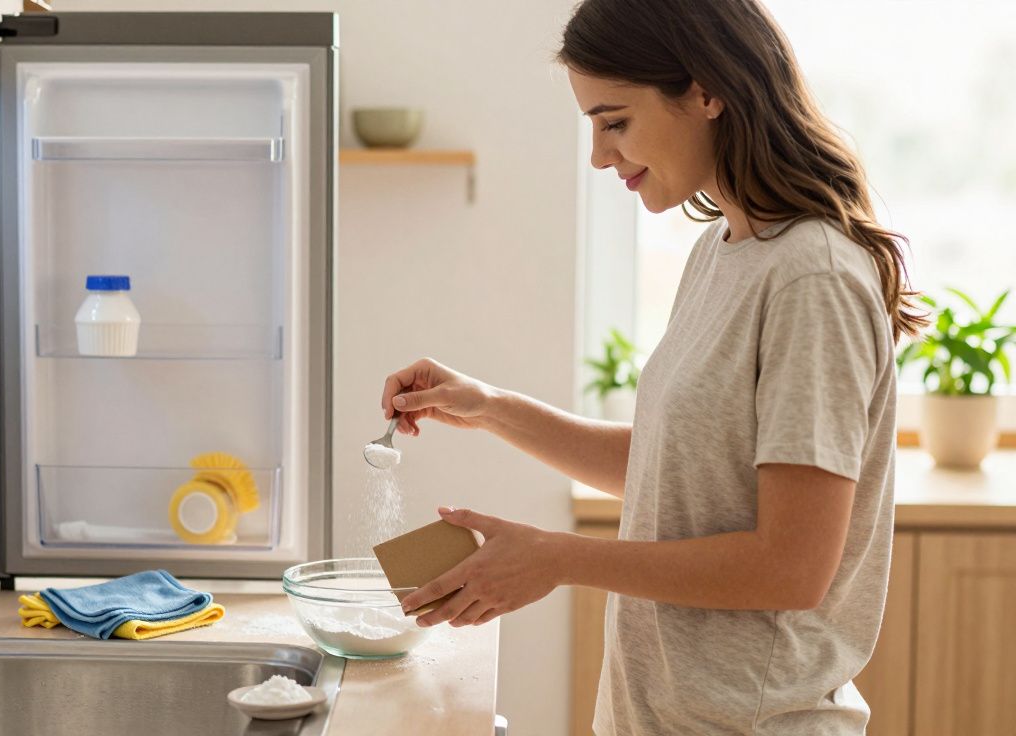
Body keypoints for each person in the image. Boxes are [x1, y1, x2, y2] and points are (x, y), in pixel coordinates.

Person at [385, 0, 927, 733]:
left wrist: (556, 559)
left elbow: (791, 568)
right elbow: (680, 473)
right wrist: (490, 407)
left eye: (614, 122)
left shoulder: (812, 277)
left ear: (706, 92)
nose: (598, 156)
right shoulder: (723, 252)